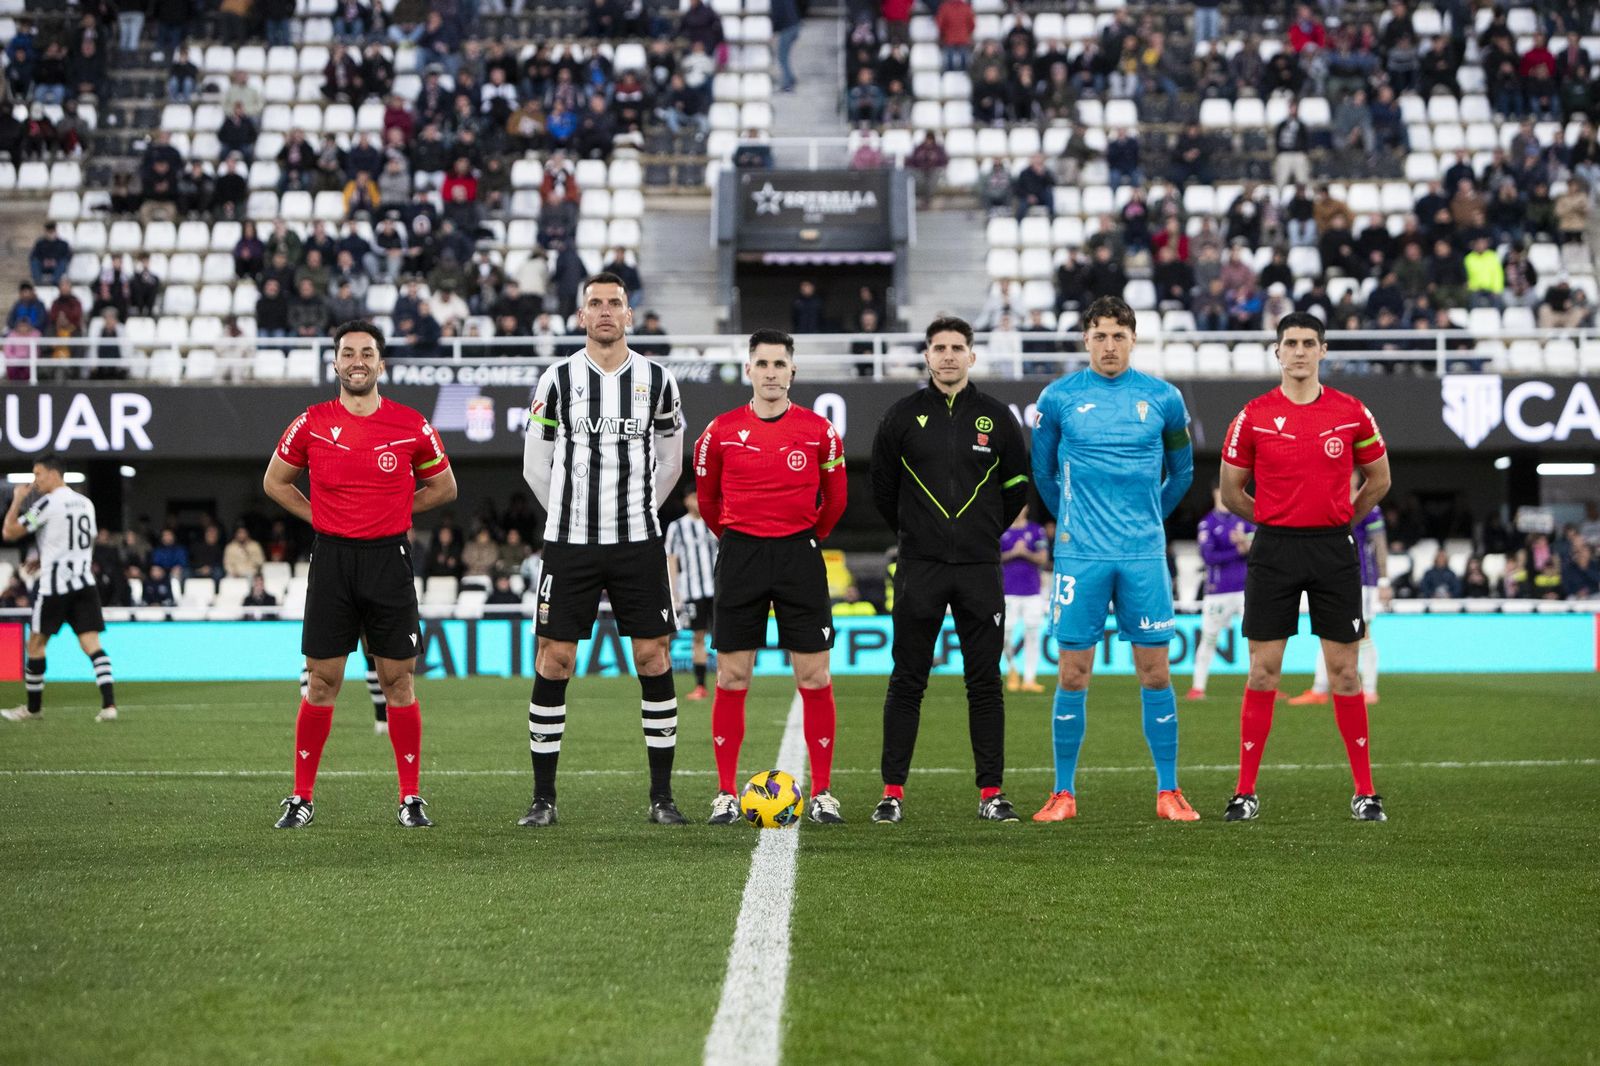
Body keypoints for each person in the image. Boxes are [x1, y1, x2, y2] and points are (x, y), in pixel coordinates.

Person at [263, 320, 458, 829]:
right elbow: (276, 483)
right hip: (332, 560)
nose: (357, 361)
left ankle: (410, 798)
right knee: (322, 680)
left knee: (399, 679)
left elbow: (444, 488)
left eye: (366, 353)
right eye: (348, 353)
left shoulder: (411, 424)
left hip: (388, 561)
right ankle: (302, 797)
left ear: (381, 363)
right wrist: (322, 518)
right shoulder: (309, 422)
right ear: (335, 362)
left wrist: (396, 511)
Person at [520, 272, 687, 827]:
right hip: (570, 545)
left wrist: (638, 508)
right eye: (595, 303)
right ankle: (543, 799)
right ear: (581, 315)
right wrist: (568, 515)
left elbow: (670, 462)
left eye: (615, 303)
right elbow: (535, 464)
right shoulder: (558, 379)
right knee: (556, 660)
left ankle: (662, 798)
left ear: (630, 314)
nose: (606, 311)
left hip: (638, 542)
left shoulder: (658, 380)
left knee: (653, 658)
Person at [1029, 295, 1198, 823]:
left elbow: (1184, 473)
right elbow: (1044, 476)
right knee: (1073, 672)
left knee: (1154, 671)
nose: (1109, 345)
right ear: (1086, 340)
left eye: (1118, 335)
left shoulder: (1164, 399)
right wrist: (1075, 520)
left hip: (1144, 555)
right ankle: (1063, 793)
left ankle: (1168, 791)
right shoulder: (1057, 398)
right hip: (1080, 556)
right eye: (1099, 335)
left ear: (1133, 339)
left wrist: (1150, 521)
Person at [1219, 312, 1392, 824]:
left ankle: (1365, 792)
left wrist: (1342, 520)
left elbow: (1379, 480)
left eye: (1308, 343)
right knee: (1263, 672)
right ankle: (1245, 791)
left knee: (1344, 673)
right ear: (1277, 352)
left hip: (1334, 550)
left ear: (1322, 351)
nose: (1298, 351)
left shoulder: (1351, 411)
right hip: (1274, 551)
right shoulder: (1252, 415)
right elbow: (1232, 492)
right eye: (1290, 343)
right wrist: (1275, 521)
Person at [869, 315, 1031, 824]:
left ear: (972, 355)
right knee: (908, 679)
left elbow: (1017, 489)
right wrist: (921, 534)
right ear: (926, 355)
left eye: (957, 347)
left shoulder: (998, 418)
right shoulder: (900, 416)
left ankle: (992, 794)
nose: (948, 356)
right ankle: (892, 793)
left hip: (981, 568)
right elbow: (882, 492)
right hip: (920, 567)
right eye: (938, 347)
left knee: (984, 682)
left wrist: (980, 534)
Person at [693, 329, 849, 825]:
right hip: (740, 555)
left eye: (779, 364)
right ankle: (724, 792)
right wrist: (741, 538)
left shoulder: (819, 430)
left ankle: (823, 792)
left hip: (800, 555)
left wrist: (801, 537)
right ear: (748, 370)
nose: (771, 373)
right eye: (762, 364)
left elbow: (836, 501)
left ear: (793, 371)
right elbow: (708, 502)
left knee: (815, 675)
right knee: (732, 675)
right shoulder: (718, 431)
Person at [1, 455, 119, 724]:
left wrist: (18, 499)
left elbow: (10, 532)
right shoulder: (86, 503)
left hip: (55, 586)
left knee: (36, 644)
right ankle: (109, 705)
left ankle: (33, 709)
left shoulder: (47, 503)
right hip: (84, 584)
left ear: (54, 474)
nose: (35, 480)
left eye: (38, 474)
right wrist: (46, 557)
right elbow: (78, 543)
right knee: (92, 644)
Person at [1288, 480, 1388, 705]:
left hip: (1363, 580)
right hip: (1334, 579)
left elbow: (1380, 544)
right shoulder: (1333, 503)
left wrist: (1384, 581)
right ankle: (1319, 690)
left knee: (1363, 633)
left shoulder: (1369, 506)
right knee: (1328, 632)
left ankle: (1370, 689)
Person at [1187, 483, 1253, 701]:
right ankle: (1197, 687)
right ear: (1216, 493)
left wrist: (1247, 545)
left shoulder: (1244, 519)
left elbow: (1260, 548)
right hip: (1219, 591)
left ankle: (1261, 684)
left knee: (1256, 638)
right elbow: (1208, 558)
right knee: (1209, 638)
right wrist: (1238, 550)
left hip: (1246, 589)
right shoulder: (1208, 523)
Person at [665, 489, 717, 702]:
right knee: (698, 636)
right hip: (692, 590)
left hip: (717, 589)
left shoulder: (714, 521)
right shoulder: (677, 527)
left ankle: (726, 682)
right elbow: (671, 559)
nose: (697, 501)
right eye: (693, 497)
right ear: (686, 500)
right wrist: (674, 591)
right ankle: (701, 686)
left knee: (723, 637)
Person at [1000, 511, 1048, 693]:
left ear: (1027, 508)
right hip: (1007, 591)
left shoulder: (1036, 530)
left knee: (1033, 635)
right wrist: (1014, 553)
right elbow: (993, 557)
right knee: (1005, 634)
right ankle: (1011, 669)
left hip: (1032, 592)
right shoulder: (1001, 529)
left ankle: (1030, 678)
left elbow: (1043, 558)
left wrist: (1025, 552)